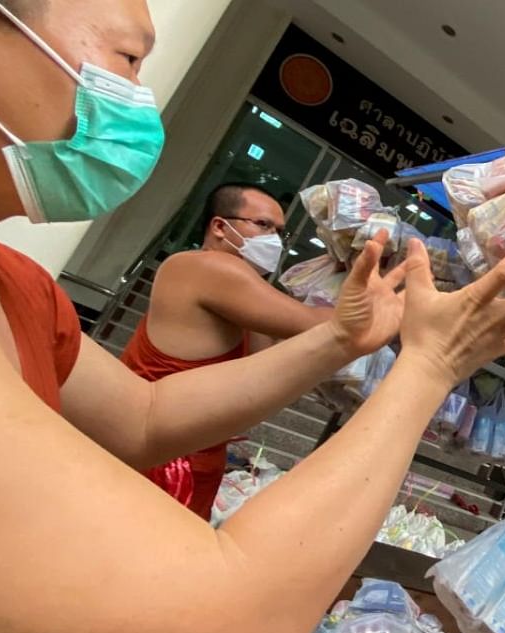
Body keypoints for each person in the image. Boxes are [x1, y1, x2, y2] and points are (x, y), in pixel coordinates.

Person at [0, 1, 505, 633]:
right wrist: (430, 366)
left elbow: (145, 415)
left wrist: (342, 338)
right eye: (126, 61)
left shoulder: (15, 283)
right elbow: (225, 627)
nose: (138, 103)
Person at [121, 182, 348, 520]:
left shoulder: (243, 292)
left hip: (193, 457)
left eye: (279, 232)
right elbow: (315, 324)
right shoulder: (204, 266)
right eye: (263, 225)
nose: (273, 239)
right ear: (219, 226)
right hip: (161, 459)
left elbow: (264, 363)